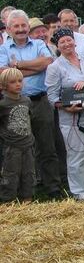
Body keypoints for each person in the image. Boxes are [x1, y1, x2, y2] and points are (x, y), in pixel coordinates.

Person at [0, 10, 62, 199]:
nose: (20, 29)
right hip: (14, 104)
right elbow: (2, 73)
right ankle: (21, 190)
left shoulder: (38, 44)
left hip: (40, 101)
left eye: (23, 25)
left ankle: (53, 187)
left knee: (47, 146)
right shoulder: (3, 49)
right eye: (16, 26)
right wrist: (32, 67)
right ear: (9, 29)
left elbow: (47, 62)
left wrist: (17, 67)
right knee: (18, 149)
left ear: (28, 27)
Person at [45, 28, 84, 200]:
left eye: (69, 40)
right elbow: (52, 96)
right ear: (57, 45)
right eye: (62, 42)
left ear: (74, 41)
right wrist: (65, 107)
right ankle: (79, 192)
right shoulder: (55, 67)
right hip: (72, 119)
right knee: (76, 155)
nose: (67, 44)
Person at [0, 68, 35, 203]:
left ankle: (28, 199)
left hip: (28, 143)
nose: (18, 84)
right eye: (13, 82)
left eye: (20, 81)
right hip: (11, 147)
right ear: (4, 85)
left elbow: (29, 119)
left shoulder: (26, 100)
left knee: (29, 173)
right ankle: (8, 202)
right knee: (10, 174)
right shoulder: (3, 104)